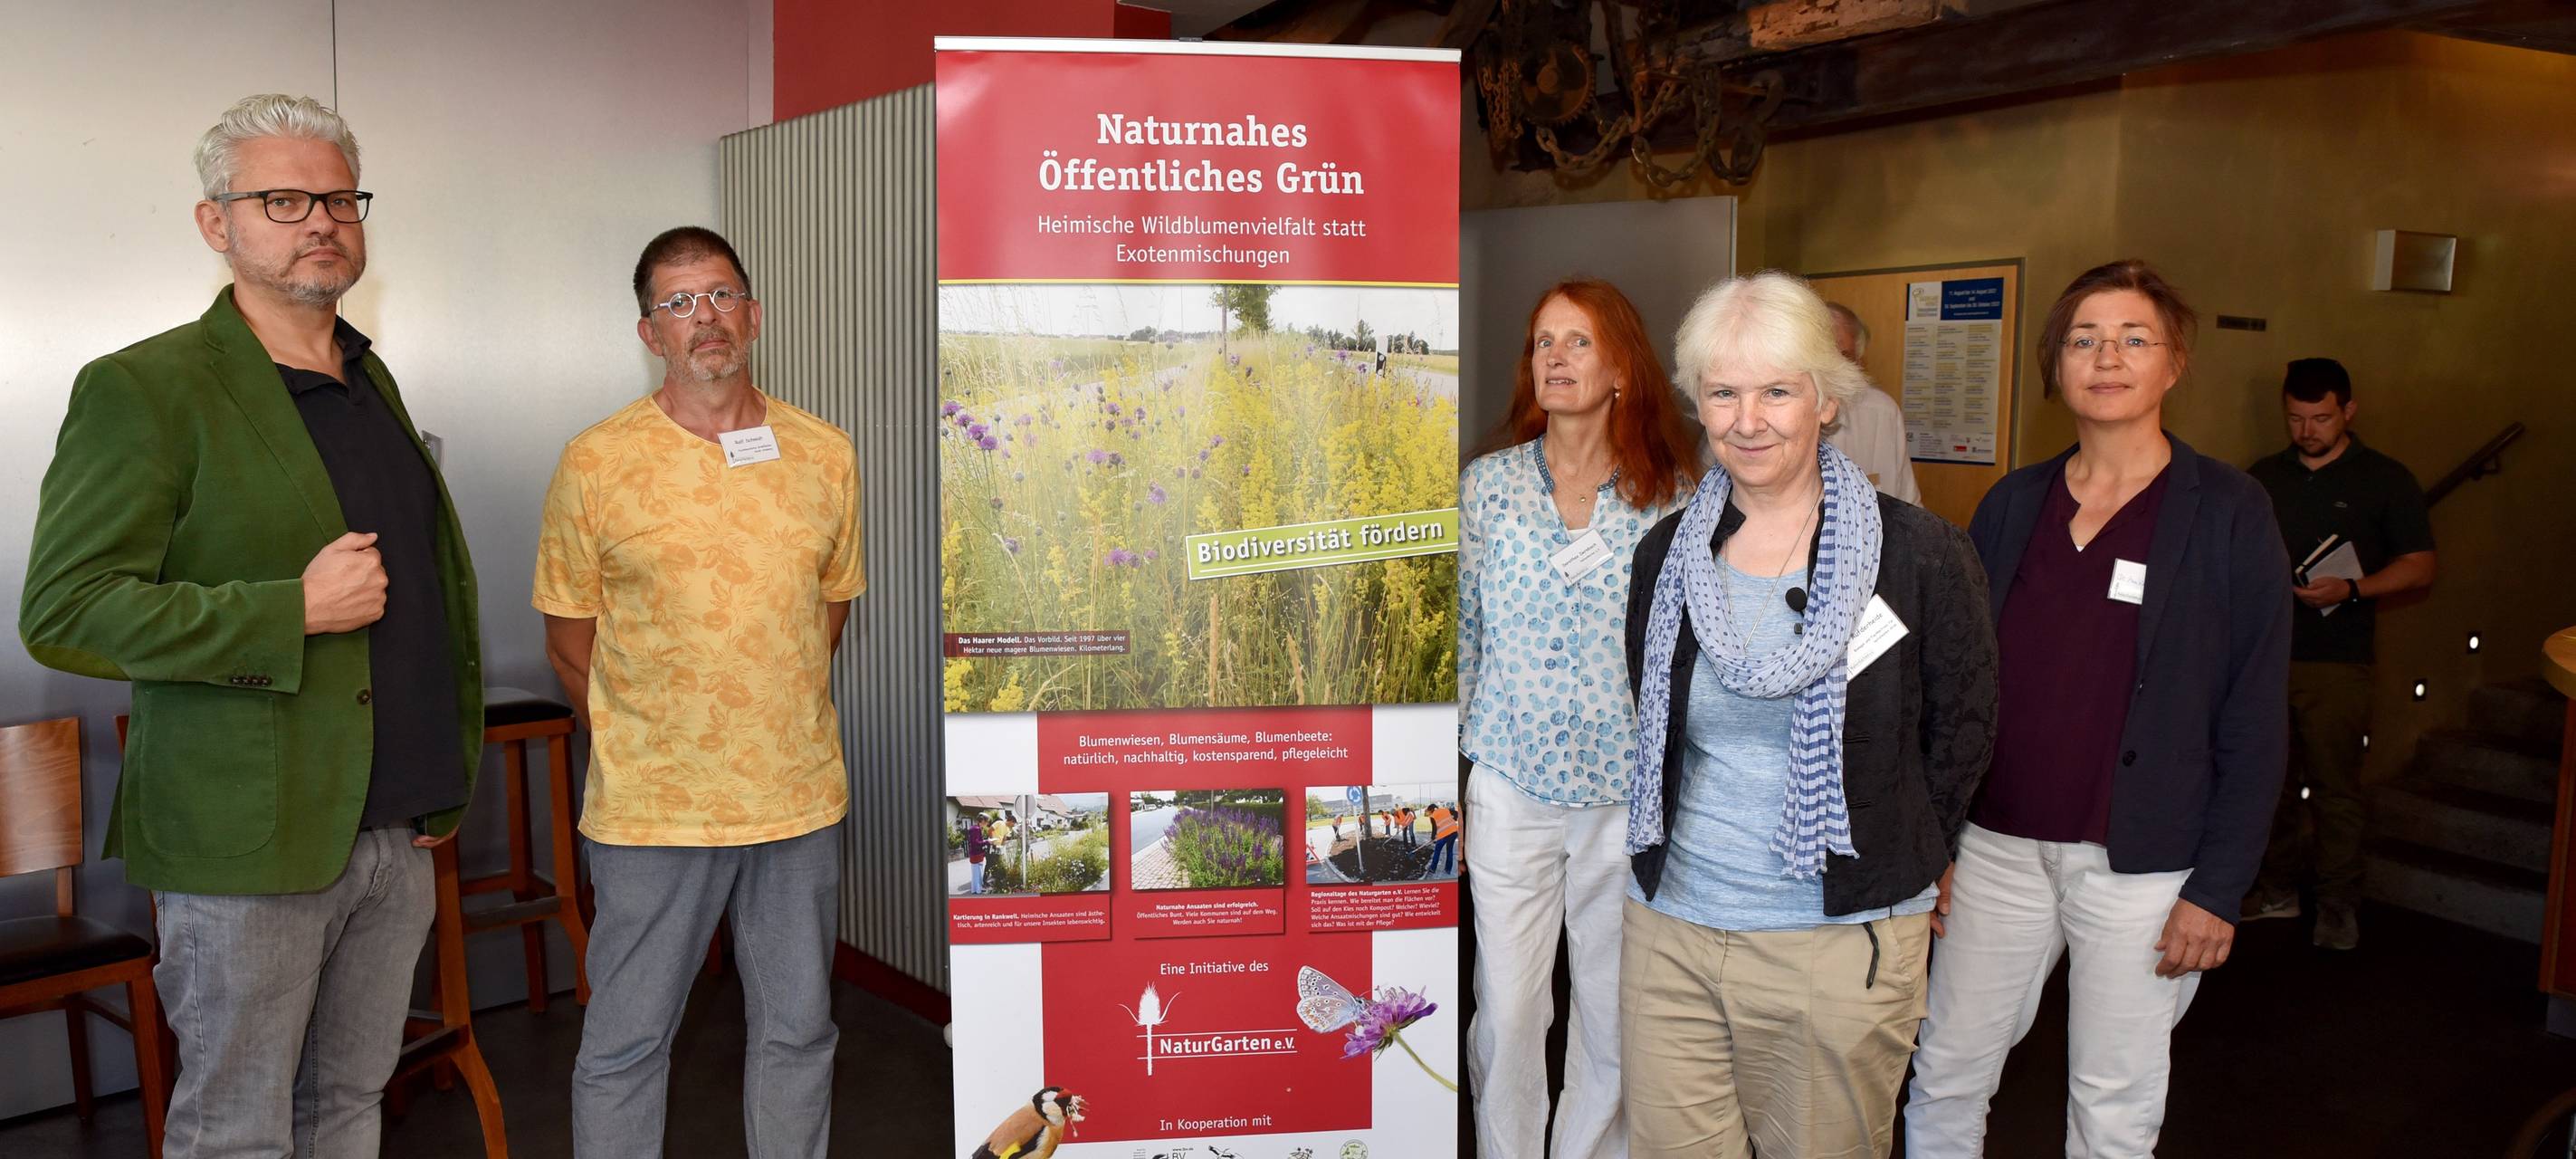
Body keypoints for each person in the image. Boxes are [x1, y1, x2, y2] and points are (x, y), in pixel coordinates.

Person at [19, 93, 482, 1158]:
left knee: (347, 1108)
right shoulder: (146, 387)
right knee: (236, 1132)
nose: (318, 219)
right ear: (214, 222)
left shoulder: (369, 379)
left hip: (394, 827)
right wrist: (288, 611)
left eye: (336, 197)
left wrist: (434, 781)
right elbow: (65, 608)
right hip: (245, 840)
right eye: (281, 199)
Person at [1905, 260, 2294, 1156]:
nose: (2104, 357)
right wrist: (1940, 838)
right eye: (2081, 339)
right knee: (1945, 1069)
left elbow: (2251, 712)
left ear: (2172, 363)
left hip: (2142, 868)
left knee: (2111, 1102)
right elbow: (1953, 684)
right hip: (1995, 851)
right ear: (2055, 365)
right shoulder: (2010, 503)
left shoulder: (2228, 512)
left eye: (2131, 338)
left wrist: (2218, 886)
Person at [1621, 272, 1998, 1157]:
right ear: (1697, 404)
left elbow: (1963, 727)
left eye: (1775, 390)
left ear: (1826, 401)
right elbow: (1656, 715)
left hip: (1835, 941)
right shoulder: (1665, 555)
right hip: (1672, 927)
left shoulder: (1919, 556)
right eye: (1722, 391)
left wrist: (1909, 852)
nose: (1746, 418)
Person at [538, 225, 864, 1158]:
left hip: (793, 798)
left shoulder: (825, 453)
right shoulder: (595, 461)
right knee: (627, 1043)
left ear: (752, 314)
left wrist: (761, 701)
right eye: (678, 303)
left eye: (719, 295)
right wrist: (657, 742)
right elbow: (569, 643)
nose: (704, 318)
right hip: (652, 813)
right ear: (651, 334)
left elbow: (822, 615)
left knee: (800, 1032)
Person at [1460, 277, 1701, 1159]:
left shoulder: (1671, 496)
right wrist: (1459, 758)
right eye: (1542, 343)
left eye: (1577, 343)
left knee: (1609, 1007)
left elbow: (1686, 653)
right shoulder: (1487, 487)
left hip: (1620, 793)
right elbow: (1464, 628)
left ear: (1621, 371)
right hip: (1511, 783)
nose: (1554, 359)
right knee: (1511, 1004)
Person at [2242, 358, 2436, 950]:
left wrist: (2351, 589)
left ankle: (2337, 904)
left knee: (2334, 786)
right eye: (2296, 418)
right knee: (2267, 781)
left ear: (2348, 412)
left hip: (2337, 657)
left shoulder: (2384, 478)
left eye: (2320, 418)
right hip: (2267, 654)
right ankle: (2274, 890)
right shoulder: (2263, 477)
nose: (2307, 430)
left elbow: (2420, 565)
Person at [1822, 302, 1922, 505]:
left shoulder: (1881, 411)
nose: (1829, 369)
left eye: (1842, 357)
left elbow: (1909, 506)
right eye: (1821, 356)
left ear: (1858, 362)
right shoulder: (1764, 421)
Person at [1430, 803, 1461, 876]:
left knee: (1437, 851)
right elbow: (1456, 813)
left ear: (1431, 810)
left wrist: (1432, 838)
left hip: (1444, 835)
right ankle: (1448, 869)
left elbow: (1434, 829)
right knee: (1450, 851)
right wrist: (1455, 819)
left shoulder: (1432, 816)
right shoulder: (1445, 810)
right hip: (1454, 832)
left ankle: (1433, 868)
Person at [966, 816, 989, 895]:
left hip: (975, 853)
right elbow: (976, 842)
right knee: (977, 873)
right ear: (982, 821)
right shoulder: (976, 829)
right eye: (986, 822)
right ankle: (977, 890)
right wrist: (987, 841)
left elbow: (975, 841)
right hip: (976, 853)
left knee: (977, 872)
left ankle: (977, 889)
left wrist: (985, 841)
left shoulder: (975, 828)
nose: (987, 823)